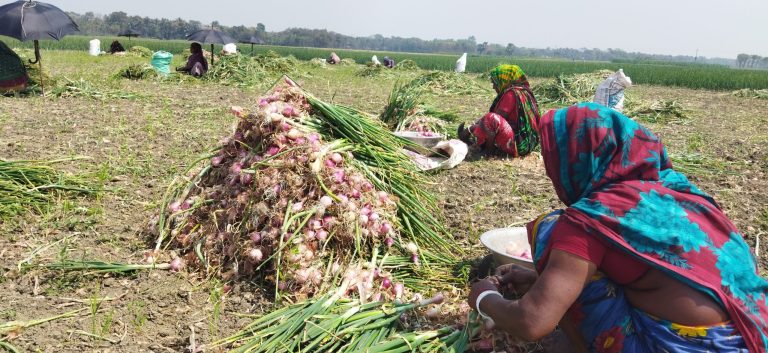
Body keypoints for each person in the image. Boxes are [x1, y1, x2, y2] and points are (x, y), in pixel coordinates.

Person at [469, 103, 768, 353]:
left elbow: (532, 322)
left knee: (549, 229)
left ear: (576, 158)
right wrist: (540, 279)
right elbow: (663, 276)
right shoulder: (680, 194)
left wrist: (485, 298)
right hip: (753, 332)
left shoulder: (591, 219)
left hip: (691, 346)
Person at [458, 64, 540, 157]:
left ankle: (489, 152)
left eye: (494, 83)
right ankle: (471, 137)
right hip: (528, 143)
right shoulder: (524, 92)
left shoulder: (511, 94)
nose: (493, 87)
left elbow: (493, 120)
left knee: (490, 118)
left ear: (504, 80)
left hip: (518, 145)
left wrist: (472, 128)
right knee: (488, 120)